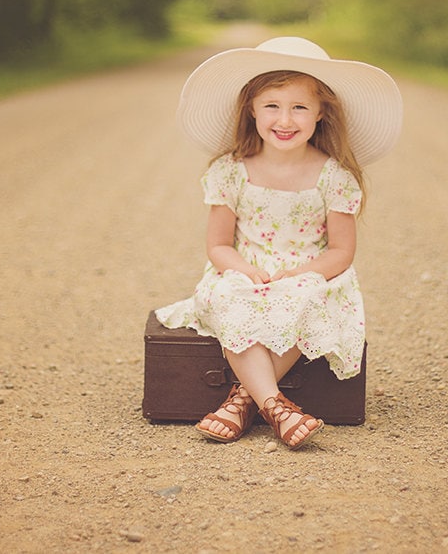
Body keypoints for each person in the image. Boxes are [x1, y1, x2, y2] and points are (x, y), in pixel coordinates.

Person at [155, 36, 402, 449]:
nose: (284, 119)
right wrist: (243, 269)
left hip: (311, 270)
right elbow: (218, 245)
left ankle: (242, 402)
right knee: (231, 297)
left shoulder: (334, 176)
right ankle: (276, 406)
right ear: (251, 108)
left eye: (299, 107)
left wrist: (302, 272)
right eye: (272, 105)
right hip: (246, 266)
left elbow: (341, 251)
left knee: (301, 299)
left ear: (322, 113)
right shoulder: (231, 171)